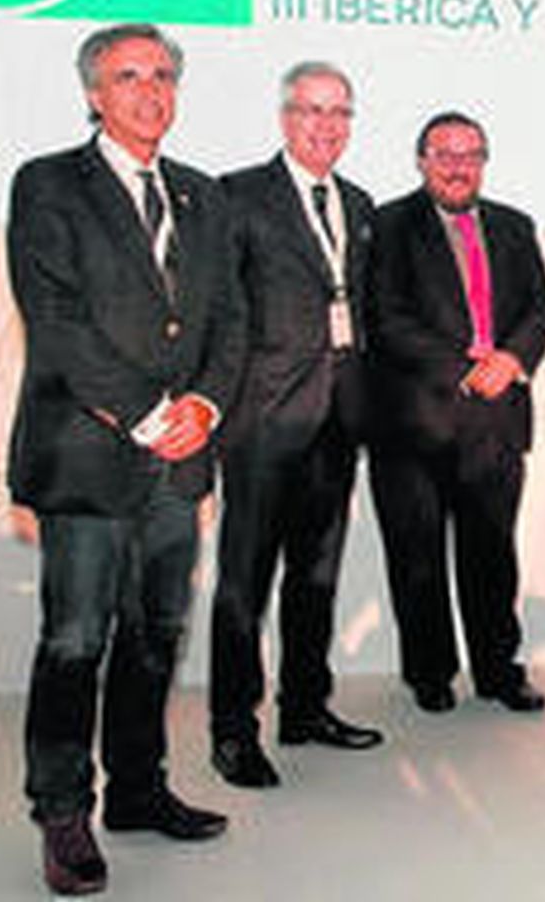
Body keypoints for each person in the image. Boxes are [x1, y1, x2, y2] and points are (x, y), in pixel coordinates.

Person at [6, 23, 244, 895]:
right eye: (130, 76)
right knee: (76, 640)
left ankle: (139, 791)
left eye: (164, 74)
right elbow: (57, 321)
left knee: (157, 634)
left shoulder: (203, 197)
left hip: (180, 465)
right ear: (95, 95)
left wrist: (207, 405)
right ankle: (62, 811)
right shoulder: (47, 185)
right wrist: (149, 416)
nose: (152, 90)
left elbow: (232, 324)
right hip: (88, 457)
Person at [208, 62, 383, 790]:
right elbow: (221, 310)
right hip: (261, 421)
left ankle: (305, 707)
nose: (326, 125)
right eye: (312, 110)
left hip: (338, 420)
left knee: (316, 577)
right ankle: (232, 732)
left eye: (340, 112)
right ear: (285, 117)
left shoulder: (360, 200)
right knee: (244, 582)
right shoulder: (237, 195)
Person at [367, 111, 545, 714]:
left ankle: (499, 670)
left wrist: (513, 359)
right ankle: (430, 674)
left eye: (470, 154)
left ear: (484, 161)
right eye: (444, 154)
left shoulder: (514, 225)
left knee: (492, 555)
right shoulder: (389, 225)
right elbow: (387, 317)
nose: (457, 166)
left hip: (496, 421)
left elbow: (542, 307)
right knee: (417, 558)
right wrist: (465, 368)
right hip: (415, 422)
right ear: (421, 160)